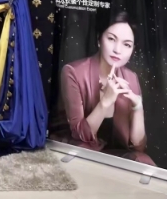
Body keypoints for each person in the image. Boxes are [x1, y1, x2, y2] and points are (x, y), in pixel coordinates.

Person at [57, 10, 155, 165]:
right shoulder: (73, 72)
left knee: (143, 160)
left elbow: (138, 146)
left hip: (116, 154)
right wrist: (105, 102)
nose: (117, 50)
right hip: (81, 147)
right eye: (111, 39)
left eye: (127, 45)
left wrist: (138, 107)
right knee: (85, 154)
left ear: (132, 50)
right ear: (99, 39)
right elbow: (80, 135)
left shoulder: (131, 78)